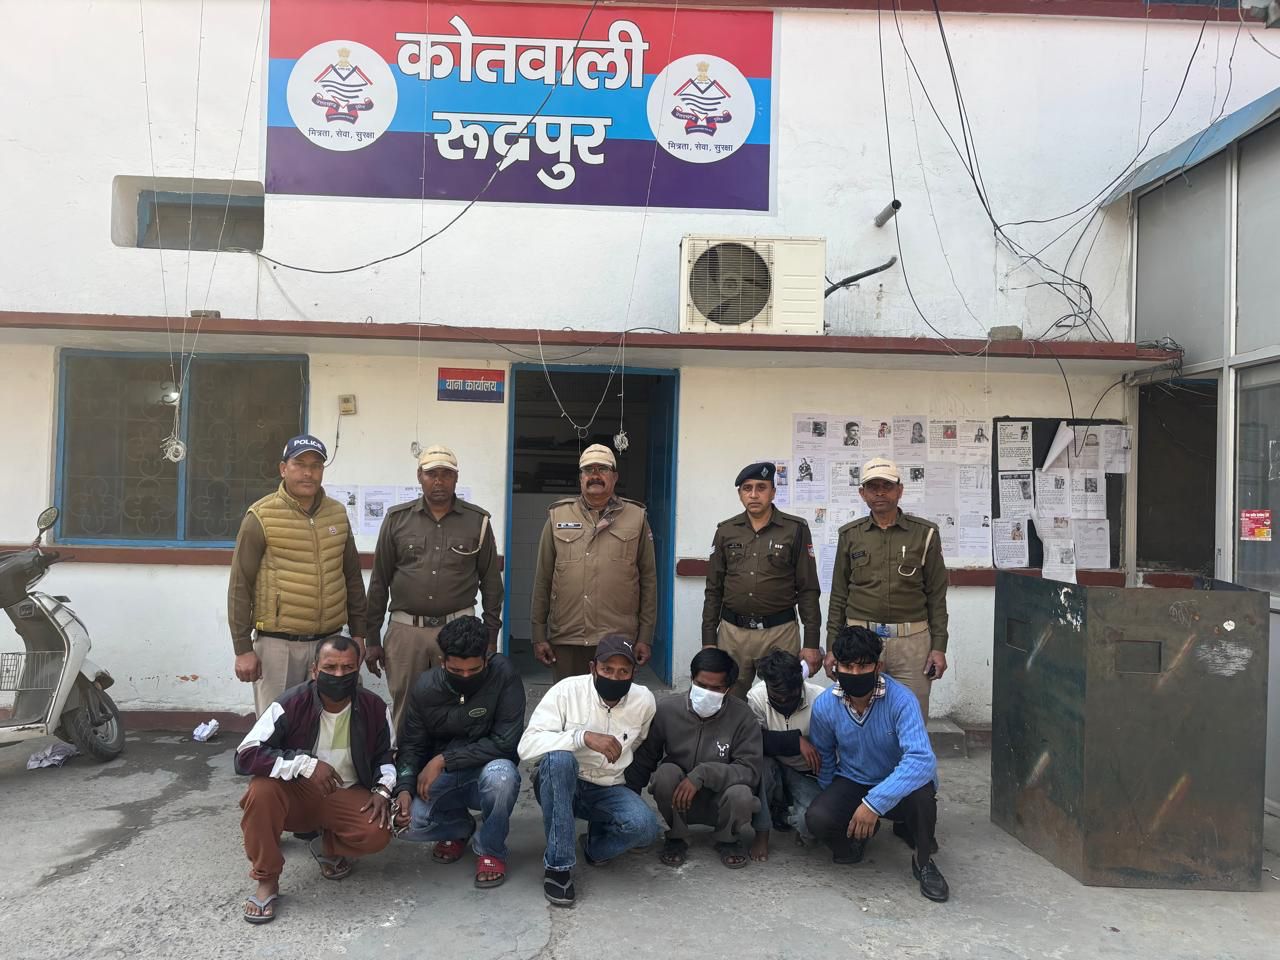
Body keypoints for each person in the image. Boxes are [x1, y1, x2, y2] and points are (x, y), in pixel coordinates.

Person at [235, 635, 398, 924]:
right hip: (298, 791)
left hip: (347, 791)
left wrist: (383, 789)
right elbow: (246, 754)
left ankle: (326, 845)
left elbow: (387, 754)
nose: (339, 675)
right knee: (261, 790)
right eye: (330, 667)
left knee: (378, 831)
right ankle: (267, 879)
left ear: (357, 670)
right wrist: (306, 764)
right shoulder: (290, 703)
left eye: (347, 668)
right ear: (314, 670)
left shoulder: (374, 707)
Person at [364, 444, 504, 733]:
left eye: (446, 474)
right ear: (420, 476)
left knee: (457, 706)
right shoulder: (396, 519)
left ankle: (449, 761)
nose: (439, 481)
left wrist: (491, 638)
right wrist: (372, 639)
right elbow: (379, 582)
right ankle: (406, 761)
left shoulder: (478, 521)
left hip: (458, 630)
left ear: (456, 478)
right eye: (431, 474)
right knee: (406, 707)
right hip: (406, 633)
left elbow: (492, 584)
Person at [518, 634, 662, 907]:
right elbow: (527, 747)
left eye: (623, 672)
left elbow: (639, 742)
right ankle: (558, 867)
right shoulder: (566, 691)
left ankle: (594, 846)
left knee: (645, 828)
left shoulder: (644, 700)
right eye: (607, 669)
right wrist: (581, 737)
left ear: (634, 673)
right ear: (593, 667)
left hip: (608, 787)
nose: (615, 677)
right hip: (563, 782)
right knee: (560, 760)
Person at [229, 434, 367, 715]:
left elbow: (352, 577)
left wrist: (359, 634)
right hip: (279, 646)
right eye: (300, 464)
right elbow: (240, 585)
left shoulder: (337, 514)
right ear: (283, 469)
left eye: (316, 466)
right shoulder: (261, 516)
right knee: (277, 726)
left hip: (330, 643)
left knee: (333, 723)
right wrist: (242, 648)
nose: (308, 473)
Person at [807, 626, 947, 901]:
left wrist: (873, 804)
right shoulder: (824, 705)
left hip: (899, 781)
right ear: (835, 667)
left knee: (923, 796)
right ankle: (858, 838)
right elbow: (824, 758)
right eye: (847, 666)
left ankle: (923, 861)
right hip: (854, 779)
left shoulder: (902, 700)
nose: (855, 673)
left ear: (878, 666)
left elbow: (921, 759)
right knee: (818, 818)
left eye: (863, 666)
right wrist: (836, 802)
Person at [392, 616, 525, 889]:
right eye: (456, 670)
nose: (466, 676)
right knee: (402, 825)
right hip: (443, 779)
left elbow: (506, 742)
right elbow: (411, 744)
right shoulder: (425, 687)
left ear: (486, 659)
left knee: (502, 778)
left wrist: (443, 760)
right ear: (442, 662)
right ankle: (460, 827)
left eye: (474, 669)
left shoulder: (504, 674)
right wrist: (404, 787)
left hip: (487, 770)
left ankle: (491, 850)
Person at [826, 457, 949, 720]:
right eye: (873, 487)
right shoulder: (850, 535)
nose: (880, 493)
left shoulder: (925, 534)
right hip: (860, 640)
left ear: (899, 490)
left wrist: (939, 647)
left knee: (912, 716)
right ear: (863, 493)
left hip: (912, 644)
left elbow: (937, 596)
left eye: (887, 486)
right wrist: (832, 646)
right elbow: (838, 595)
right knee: (859, 716)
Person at [624, 648, 762, 869]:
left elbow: (750, 770)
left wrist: (703, 774)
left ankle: (727, 839)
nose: (707, 693)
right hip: (679, 799)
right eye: (701, 685)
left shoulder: (743, 716)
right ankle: (677, 837)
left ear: (728, 688)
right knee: (665, 774)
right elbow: (646, 758)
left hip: (722, 800)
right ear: (691, 678)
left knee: (742, 793)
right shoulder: (667, 709)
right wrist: (628, 803)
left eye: (716, 689)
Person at [531, 443, 657, 680]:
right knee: (569, 700)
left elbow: (648, 580)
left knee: (613, 700)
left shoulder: (636, 517)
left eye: (603, 469)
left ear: (615, 477)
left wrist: (645, 637)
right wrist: (538, 634)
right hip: (568, 636)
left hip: (618, 637)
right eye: (588, 470)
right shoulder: (558, 516)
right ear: (581, 478)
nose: (595, 475)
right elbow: (543, 579)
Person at [703, 461, 823, 696]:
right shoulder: (726, 531)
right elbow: (713, 588)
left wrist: (811, 643)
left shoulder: (795, 529)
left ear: (773, 492)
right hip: (732, 634)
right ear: (740, 494)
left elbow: (808, 588)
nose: (754, 494)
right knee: (728, 700)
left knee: (782, 698)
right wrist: (708, 639)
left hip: (779, 633)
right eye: (747, 488)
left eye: (761, 487)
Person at [745, 649, 825, 862]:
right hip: (771, 762)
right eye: (776, 695)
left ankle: (787, 812)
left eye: (789, 696)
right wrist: (794, 741)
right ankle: (762, 831)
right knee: (759, 766)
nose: (782, 700)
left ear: (800, 683)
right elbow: (750, 740)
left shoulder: (820, 699)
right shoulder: (756, 697)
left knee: (811, 824)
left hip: (807, 773)